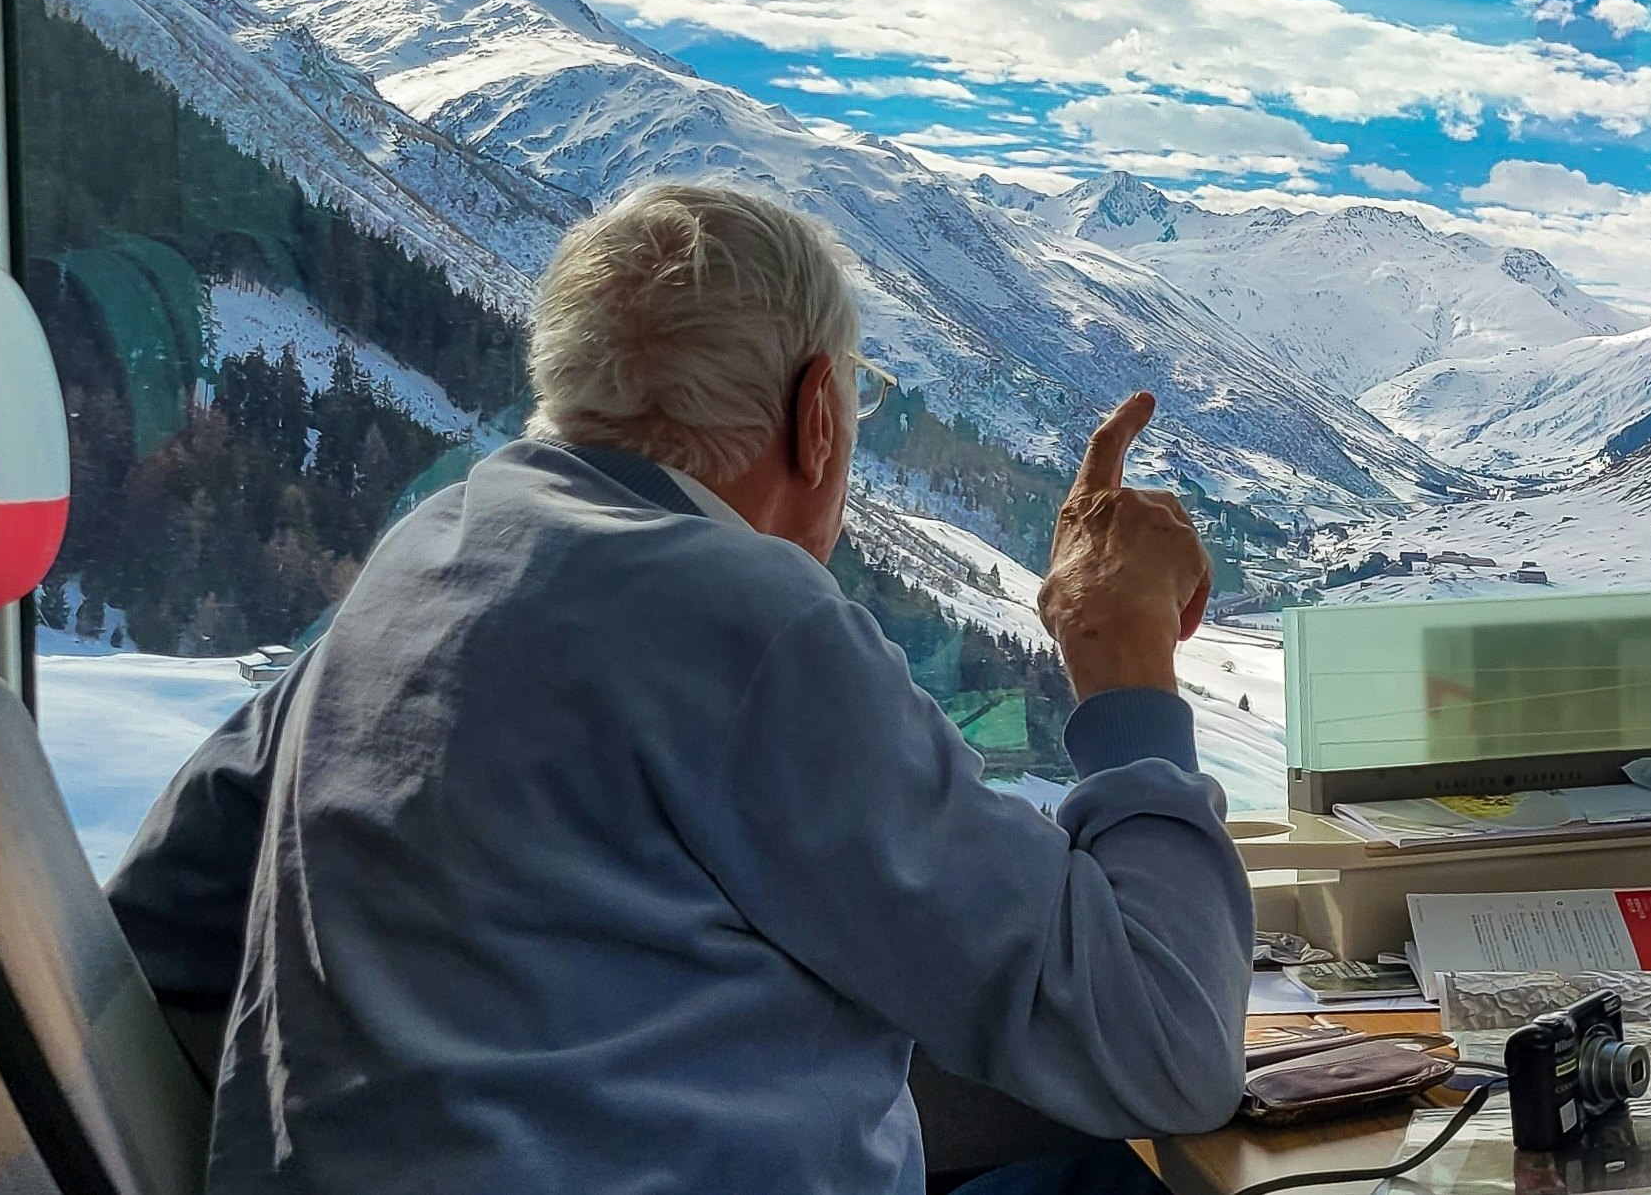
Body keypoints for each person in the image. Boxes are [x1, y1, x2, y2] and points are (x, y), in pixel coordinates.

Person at [106, 182, 1252, 1194]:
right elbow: (1164, 1043)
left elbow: (163, 919)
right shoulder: (747, 618)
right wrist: (1125, 653)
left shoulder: (422, 557)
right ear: (817, 416)